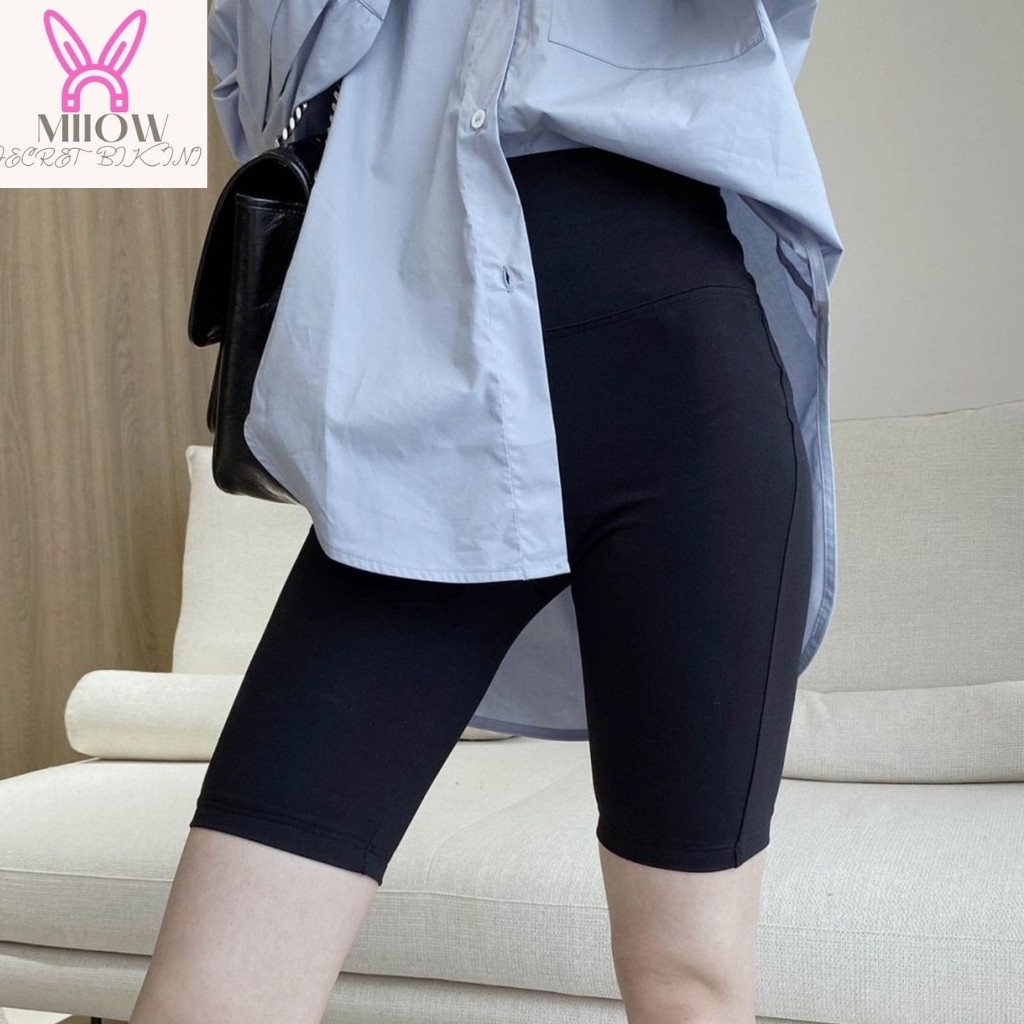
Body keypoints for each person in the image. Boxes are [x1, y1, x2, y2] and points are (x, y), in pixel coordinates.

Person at [131, 1, 844, 1022]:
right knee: (212, 994)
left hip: (684, 385)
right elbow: (259, 88)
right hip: (421, 389)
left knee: (690, 979)